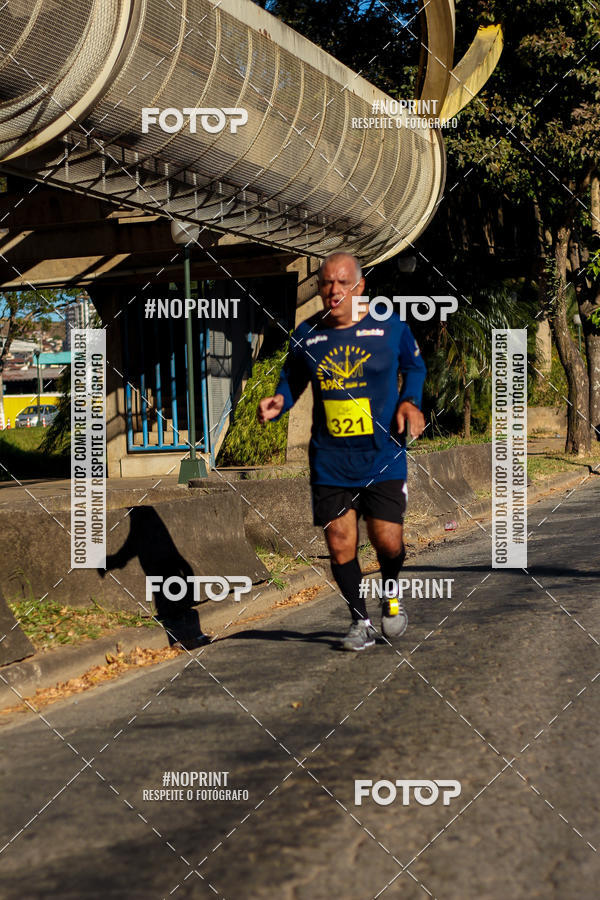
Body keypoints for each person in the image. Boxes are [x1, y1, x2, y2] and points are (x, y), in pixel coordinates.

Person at [258, 252, 426, 651]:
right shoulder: (307, 333)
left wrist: (410, 402)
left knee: (387, 540)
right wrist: (281, 400)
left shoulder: (389, 327)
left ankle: (391, 592)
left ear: (359, 286)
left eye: (341, 282)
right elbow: (293, 375)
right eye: (325, 283)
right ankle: (359, 620)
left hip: (383, 454)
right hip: (330, 460)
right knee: (339, 541)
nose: (333, 290)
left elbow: (415, 368)